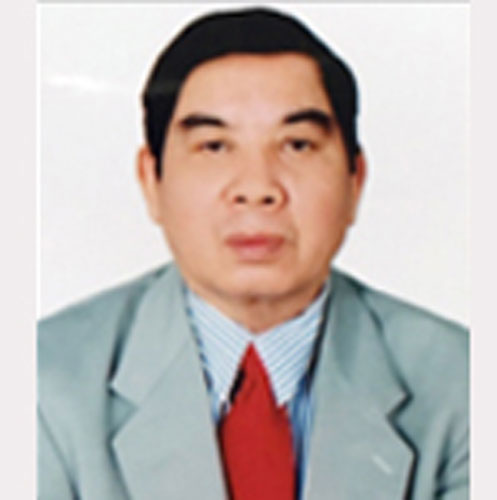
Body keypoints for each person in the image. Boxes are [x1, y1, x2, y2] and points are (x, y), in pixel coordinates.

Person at [38, 7, 468, 500]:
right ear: (151, 180)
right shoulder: (40, 386)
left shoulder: (466, 386)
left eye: (297, 145)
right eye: (215, 146)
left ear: (355, 180)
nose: (258, 188)